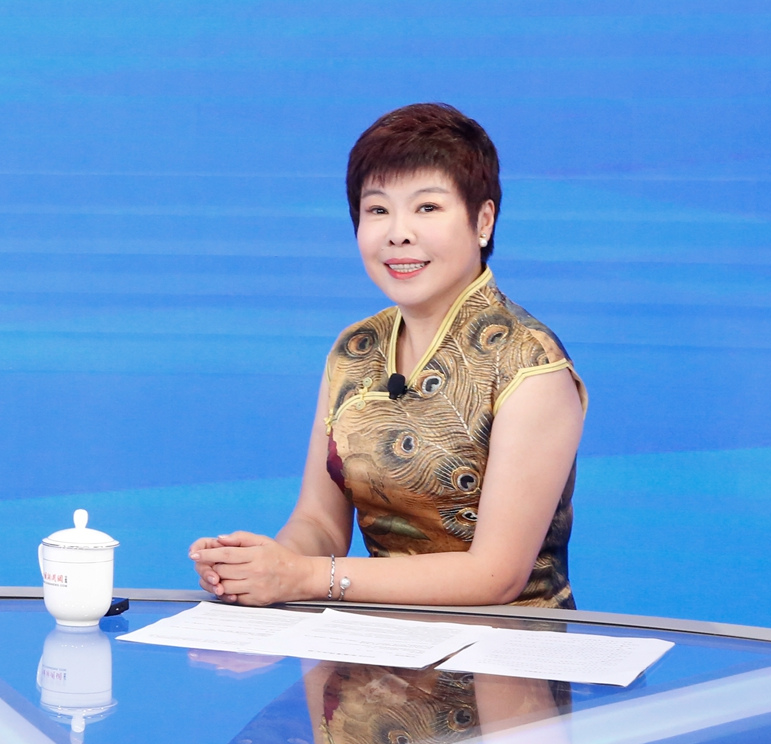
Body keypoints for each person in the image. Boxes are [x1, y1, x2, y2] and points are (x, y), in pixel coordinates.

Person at [189, 103, 587, 608]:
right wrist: (262, 567)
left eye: (427, 208)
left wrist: (303, 577)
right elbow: (319, 523)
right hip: (376, 642)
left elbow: (495, 575)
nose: (398, 232)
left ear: (482, 220)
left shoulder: (530, 365)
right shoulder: (355, 349)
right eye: (378, 210)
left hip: (511, 646)